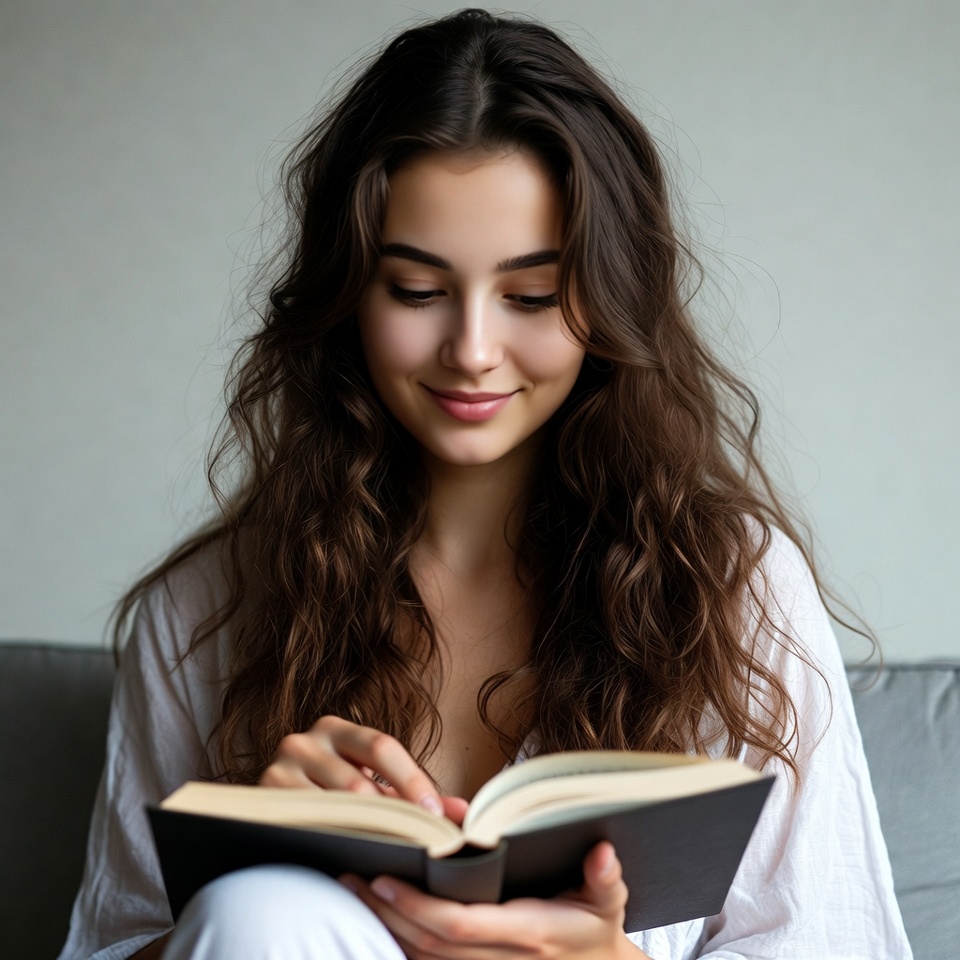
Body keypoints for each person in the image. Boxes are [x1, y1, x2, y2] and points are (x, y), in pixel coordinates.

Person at [59, 8, 911, 960]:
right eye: (417, 291)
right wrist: (246, 861)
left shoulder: (731, 589)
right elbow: (112, 939)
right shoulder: (208, 608)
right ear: (348, 297)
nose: (470, 351)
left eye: (533, 296)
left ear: (609, 299)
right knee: (258, 912)